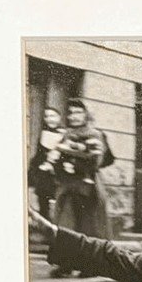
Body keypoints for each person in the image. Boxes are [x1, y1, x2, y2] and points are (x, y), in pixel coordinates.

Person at [50, 99, 114, 272]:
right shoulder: (66, 134)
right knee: (66, 225)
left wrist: (75, 163)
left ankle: (89, 265)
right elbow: (56, 157)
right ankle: (66, 264)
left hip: (88, 187)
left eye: (78, 112)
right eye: (71, 113)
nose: (74, 116)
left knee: (89, 227)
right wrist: (59, 164)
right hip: (68, 187)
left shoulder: (95, 134)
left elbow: (96, 161)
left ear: (86, 115)